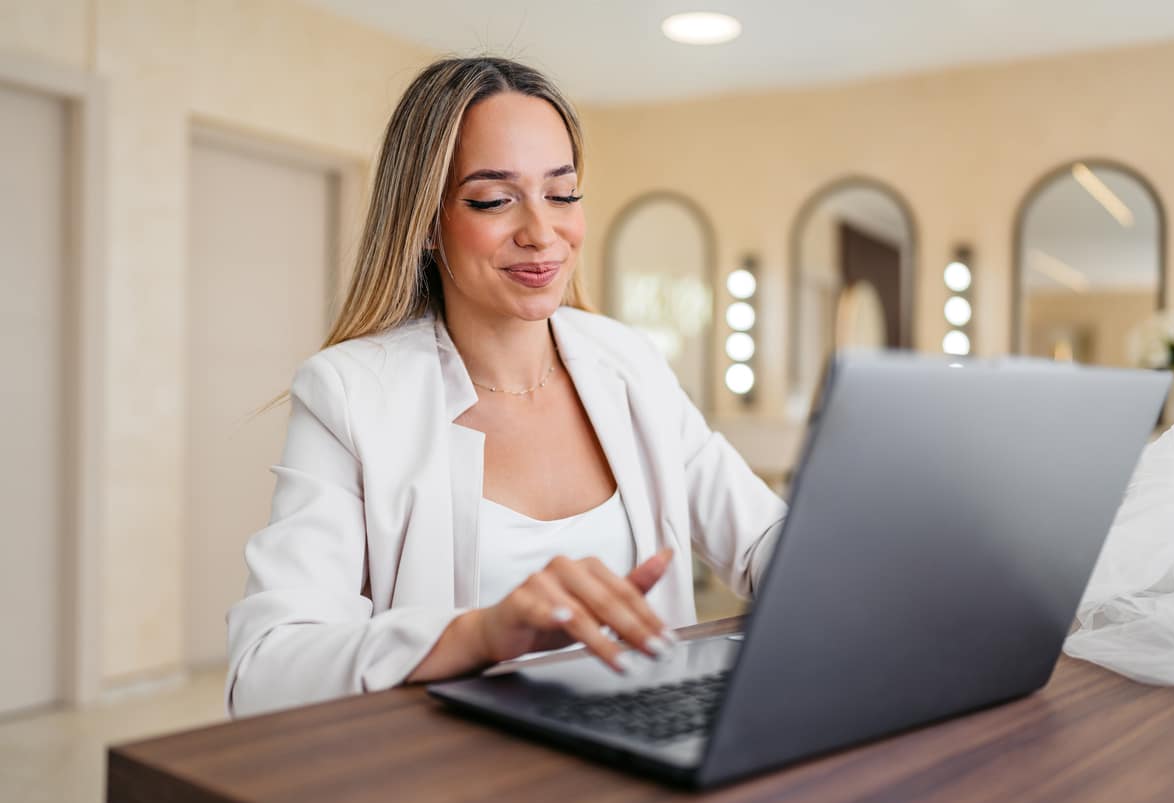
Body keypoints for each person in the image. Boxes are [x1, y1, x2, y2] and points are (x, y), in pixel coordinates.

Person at [226, 56, 787, 718]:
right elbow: (266, 668)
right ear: (428, 224)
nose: (541, 232)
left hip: (645, 760)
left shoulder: (627, 362)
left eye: (563, 193)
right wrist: (480, 633)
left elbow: (765, 542)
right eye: (494, 199)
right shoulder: (350, 394)